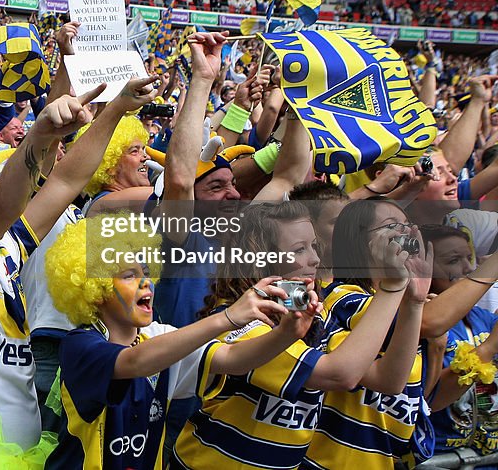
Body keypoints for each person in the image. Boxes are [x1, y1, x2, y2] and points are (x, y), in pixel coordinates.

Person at [0, 78, 158, 454]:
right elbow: (1, 207)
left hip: (22, 452)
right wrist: (39, 135)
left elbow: (65, 182)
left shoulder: (7, 247)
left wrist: (116, 111)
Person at [171, 202, 425, 470]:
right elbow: (339, 374)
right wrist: (392, 288)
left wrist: (414, 303)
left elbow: (389, 380)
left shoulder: (315, 314)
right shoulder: (238, 323)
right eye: (299, 250)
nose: (315, 259)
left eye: (314, 246)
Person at [45, 214, 310, 470]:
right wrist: (228, 317)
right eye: (128, 275)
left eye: (146, 271)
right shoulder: (79, 345)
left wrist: (287, 333)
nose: (146, 282)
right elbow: (135, 361)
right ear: (95, 289)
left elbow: (233, 360)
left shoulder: (160, 337)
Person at [303, 198, 433, 469]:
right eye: (393, 226)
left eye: (408, 225)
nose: (407, 233)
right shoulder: (341, 298)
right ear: (361, 240)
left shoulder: (402, 302)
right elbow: (438, 322)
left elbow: (395, 383)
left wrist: (416, 301)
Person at [421, 223, 498, 461]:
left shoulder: (486, 319)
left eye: (470, 258)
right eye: (453, 260)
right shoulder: (419, 325)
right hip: (438, 459)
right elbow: (428, 402)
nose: (468, 269)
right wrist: (490, 347)